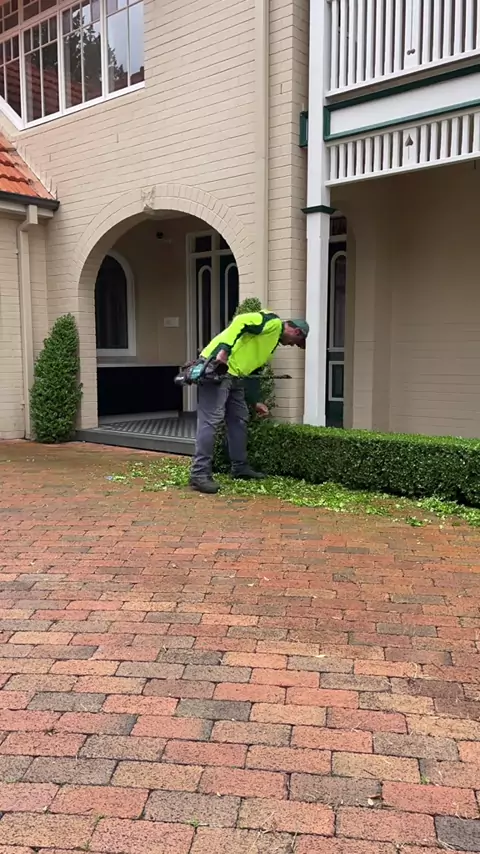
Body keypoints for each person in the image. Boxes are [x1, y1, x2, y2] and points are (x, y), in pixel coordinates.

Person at [190, 310, 309, 494]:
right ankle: (199, 474)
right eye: (296, 342)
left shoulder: (270, 344)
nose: (292, 345)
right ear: (296, 331)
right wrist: (224, 350)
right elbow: (241, 321)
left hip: (236, 376)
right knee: (211, 421)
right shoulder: (272, 322)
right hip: (218, 367)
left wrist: (256, 401)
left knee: (239, 419)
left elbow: (254, 372)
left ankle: (239, 467)